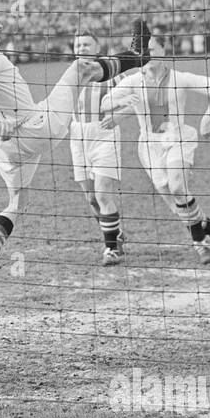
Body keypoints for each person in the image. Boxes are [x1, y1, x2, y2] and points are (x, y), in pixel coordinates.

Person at [0, 0, 145, 303]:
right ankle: (138, 56)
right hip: (32, 129)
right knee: (79, 69)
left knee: (16, 202)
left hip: (1, 144)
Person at [100, 24, 210, 265]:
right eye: (142, 51)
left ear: (163, 51)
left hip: (179, 139)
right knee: (174, 203)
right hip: (149, 146)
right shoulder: (133, 81)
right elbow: (105, 102)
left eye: (151, 49)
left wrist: (207, 119)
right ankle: (209, 225)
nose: (146, 55)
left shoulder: (180, 78)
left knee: (178, 185)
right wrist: (122, 103)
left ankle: (198, 243)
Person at [69, 30, 134, 266]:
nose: (82, 47)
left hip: (104, 133)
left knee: (103, 193)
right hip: (78, 136)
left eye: (87, 44)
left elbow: (137, 97)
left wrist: (119, 116)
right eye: (79, 44)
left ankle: (111, 250)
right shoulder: (70, 75)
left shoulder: (111, 74)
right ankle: (116, 235)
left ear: (97, 48)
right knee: (91, 198)